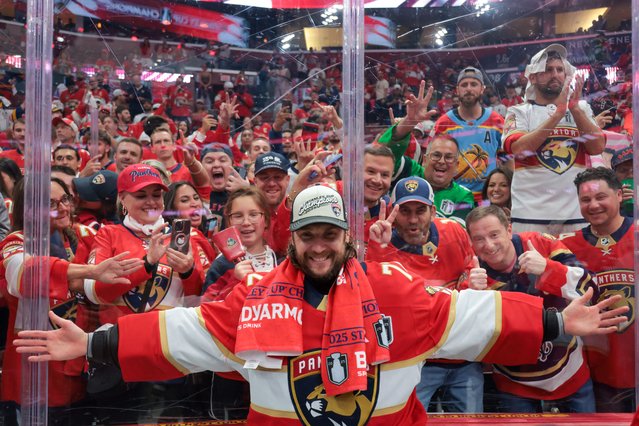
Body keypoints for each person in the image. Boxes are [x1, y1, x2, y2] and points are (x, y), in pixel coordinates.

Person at [14, 185, 628, 425]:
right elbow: (181, 333)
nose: (318, 246)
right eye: (307, 235)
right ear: (295, 239)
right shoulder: (252, 303)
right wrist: (90, 342)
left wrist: (557, 318)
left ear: (345, 237)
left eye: (329, 235)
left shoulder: (394, 293)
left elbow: (474, 318)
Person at [0, 178, 142, 415]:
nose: (64, 207)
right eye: (51, 203)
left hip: (84, 362)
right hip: (36, 366)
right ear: (30, 208)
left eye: (65, 199)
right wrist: (91, 271)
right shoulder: (15, 241)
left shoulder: (85, 234)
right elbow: (25, 276)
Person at [464, 205, 597, 412]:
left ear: (509, 230)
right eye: (479, 239)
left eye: (494, 235)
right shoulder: (472, 273)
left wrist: (548, 268)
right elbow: (467, 336)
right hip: (514, 384)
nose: (488, 245)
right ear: (471, 241)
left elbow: (590, 288)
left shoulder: (540, 243)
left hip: (570, 374)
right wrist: (471, 296)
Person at [366, 176, 481, 413]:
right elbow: (378, 298)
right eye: (404, 211)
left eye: (421, 211)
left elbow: (470, 269)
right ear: (393, 213)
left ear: (434, 211)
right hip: (415, 360)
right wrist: (378, 250)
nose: (413, 219)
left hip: (462, 357)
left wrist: (472, 284)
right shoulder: (380, 243)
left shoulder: (453, 233)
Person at [82, 164, 205, 325]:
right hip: (119, 340)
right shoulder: (108, 234)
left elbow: (196, 302)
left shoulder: (181, 236)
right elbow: (94, 293)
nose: (151, 202)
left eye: (156, 195)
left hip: (166, 341)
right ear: (123, 199)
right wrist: (147, 263)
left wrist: (188, 273)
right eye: (141, 196)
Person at [502, 44, 605, 234]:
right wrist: (558, 113)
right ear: (533, 77)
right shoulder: (518, 111)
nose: (555, 74)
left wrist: (573, 109)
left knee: (576, 265)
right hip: (529, 214)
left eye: (560, 70)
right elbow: (519, 149)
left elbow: (597, 147)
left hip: (575, 212)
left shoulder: (581, 108)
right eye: (548, 70)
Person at [559, 167, 635, 412]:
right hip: (596, 375)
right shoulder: (565, 246)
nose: (593, 205)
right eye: (585, 200)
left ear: (620, 195)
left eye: (601, 197)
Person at [202, 186, 279, 302]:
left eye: (253, 215)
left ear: (266, 221)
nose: (246, 222)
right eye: (238, 216)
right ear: (229, 222)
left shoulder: (280, 260)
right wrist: (235, 281)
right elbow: (206, 307)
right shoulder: (222, 265)